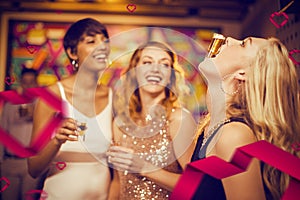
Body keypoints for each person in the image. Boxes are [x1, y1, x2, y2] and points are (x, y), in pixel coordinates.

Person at [191, 36, 300, 199]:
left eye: (243, 44)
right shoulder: (211, 127)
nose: (228, 39)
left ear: (243, 74)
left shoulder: (233, 135)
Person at [27, 18, 113, 200]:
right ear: (73, 53)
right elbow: (33, 168)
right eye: (91, 41)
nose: (102, 47)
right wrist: (56, 141)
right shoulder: (53, 96)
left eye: (105, 41)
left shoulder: (112, 96)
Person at [107, 41, 197, 199]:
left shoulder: (178, 119)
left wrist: (144, 168)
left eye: (164, 64)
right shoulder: (120, 124)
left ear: (171, 76)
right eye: (147, 62)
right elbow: (117, 182)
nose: (155, 69)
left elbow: (194, 185)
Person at [0, 68, 42, 200]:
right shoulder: (10, 105)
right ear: (20, 84)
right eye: (25, 82)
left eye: (32, 82)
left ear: (37, 84)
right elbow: (2, 133)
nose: (28, 86)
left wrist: (35, 113)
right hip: (10, 161)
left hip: (31, 163)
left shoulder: (42, 106)